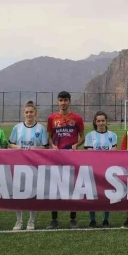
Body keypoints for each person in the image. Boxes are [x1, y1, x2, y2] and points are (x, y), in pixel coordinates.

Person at [46, 91, 85, 229]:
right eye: (61, 100)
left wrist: (76, 145)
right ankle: (54, 219)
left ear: (69, 101)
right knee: (55, 187)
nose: (63, 103)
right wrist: (52, 145)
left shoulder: (77, 118)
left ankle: (73, 218)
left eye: (65, 100)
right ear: (58, 102)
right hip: (56, 157)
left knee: (72, 186)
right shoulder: (51, 118)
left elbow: (83, 137)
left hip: (72, 157)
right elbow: (49, 137)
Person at [9, 101, 48, 230]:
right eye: (26, 112)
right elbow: (10, 144)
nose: (29, 114)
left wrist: (36, 148)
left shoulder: (40, 128)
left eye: (31, 112)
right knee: (18, 191)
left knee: (32, 192)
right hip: (19, 163)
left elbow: (45, 146)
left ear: (35, 113)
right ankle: (19, 221)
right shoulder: (17, 127)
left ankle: (31, 220)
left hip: (34, 164)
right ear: (23, 114)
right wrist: (17, 147)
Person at [84, 111, 117, 228]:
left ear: (106, 121)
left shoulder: (113, 135)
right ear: (95, 122)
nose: (101, 123)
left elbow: (113, 153)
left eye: (103, 120)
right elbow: (90, 154)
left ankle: (106, 219)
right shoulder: (90, 135)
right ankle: (92, 219)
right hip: (94, 169)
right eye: (98, 121)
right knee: (92, 194)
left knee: (106, 195)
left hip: (108, 170)